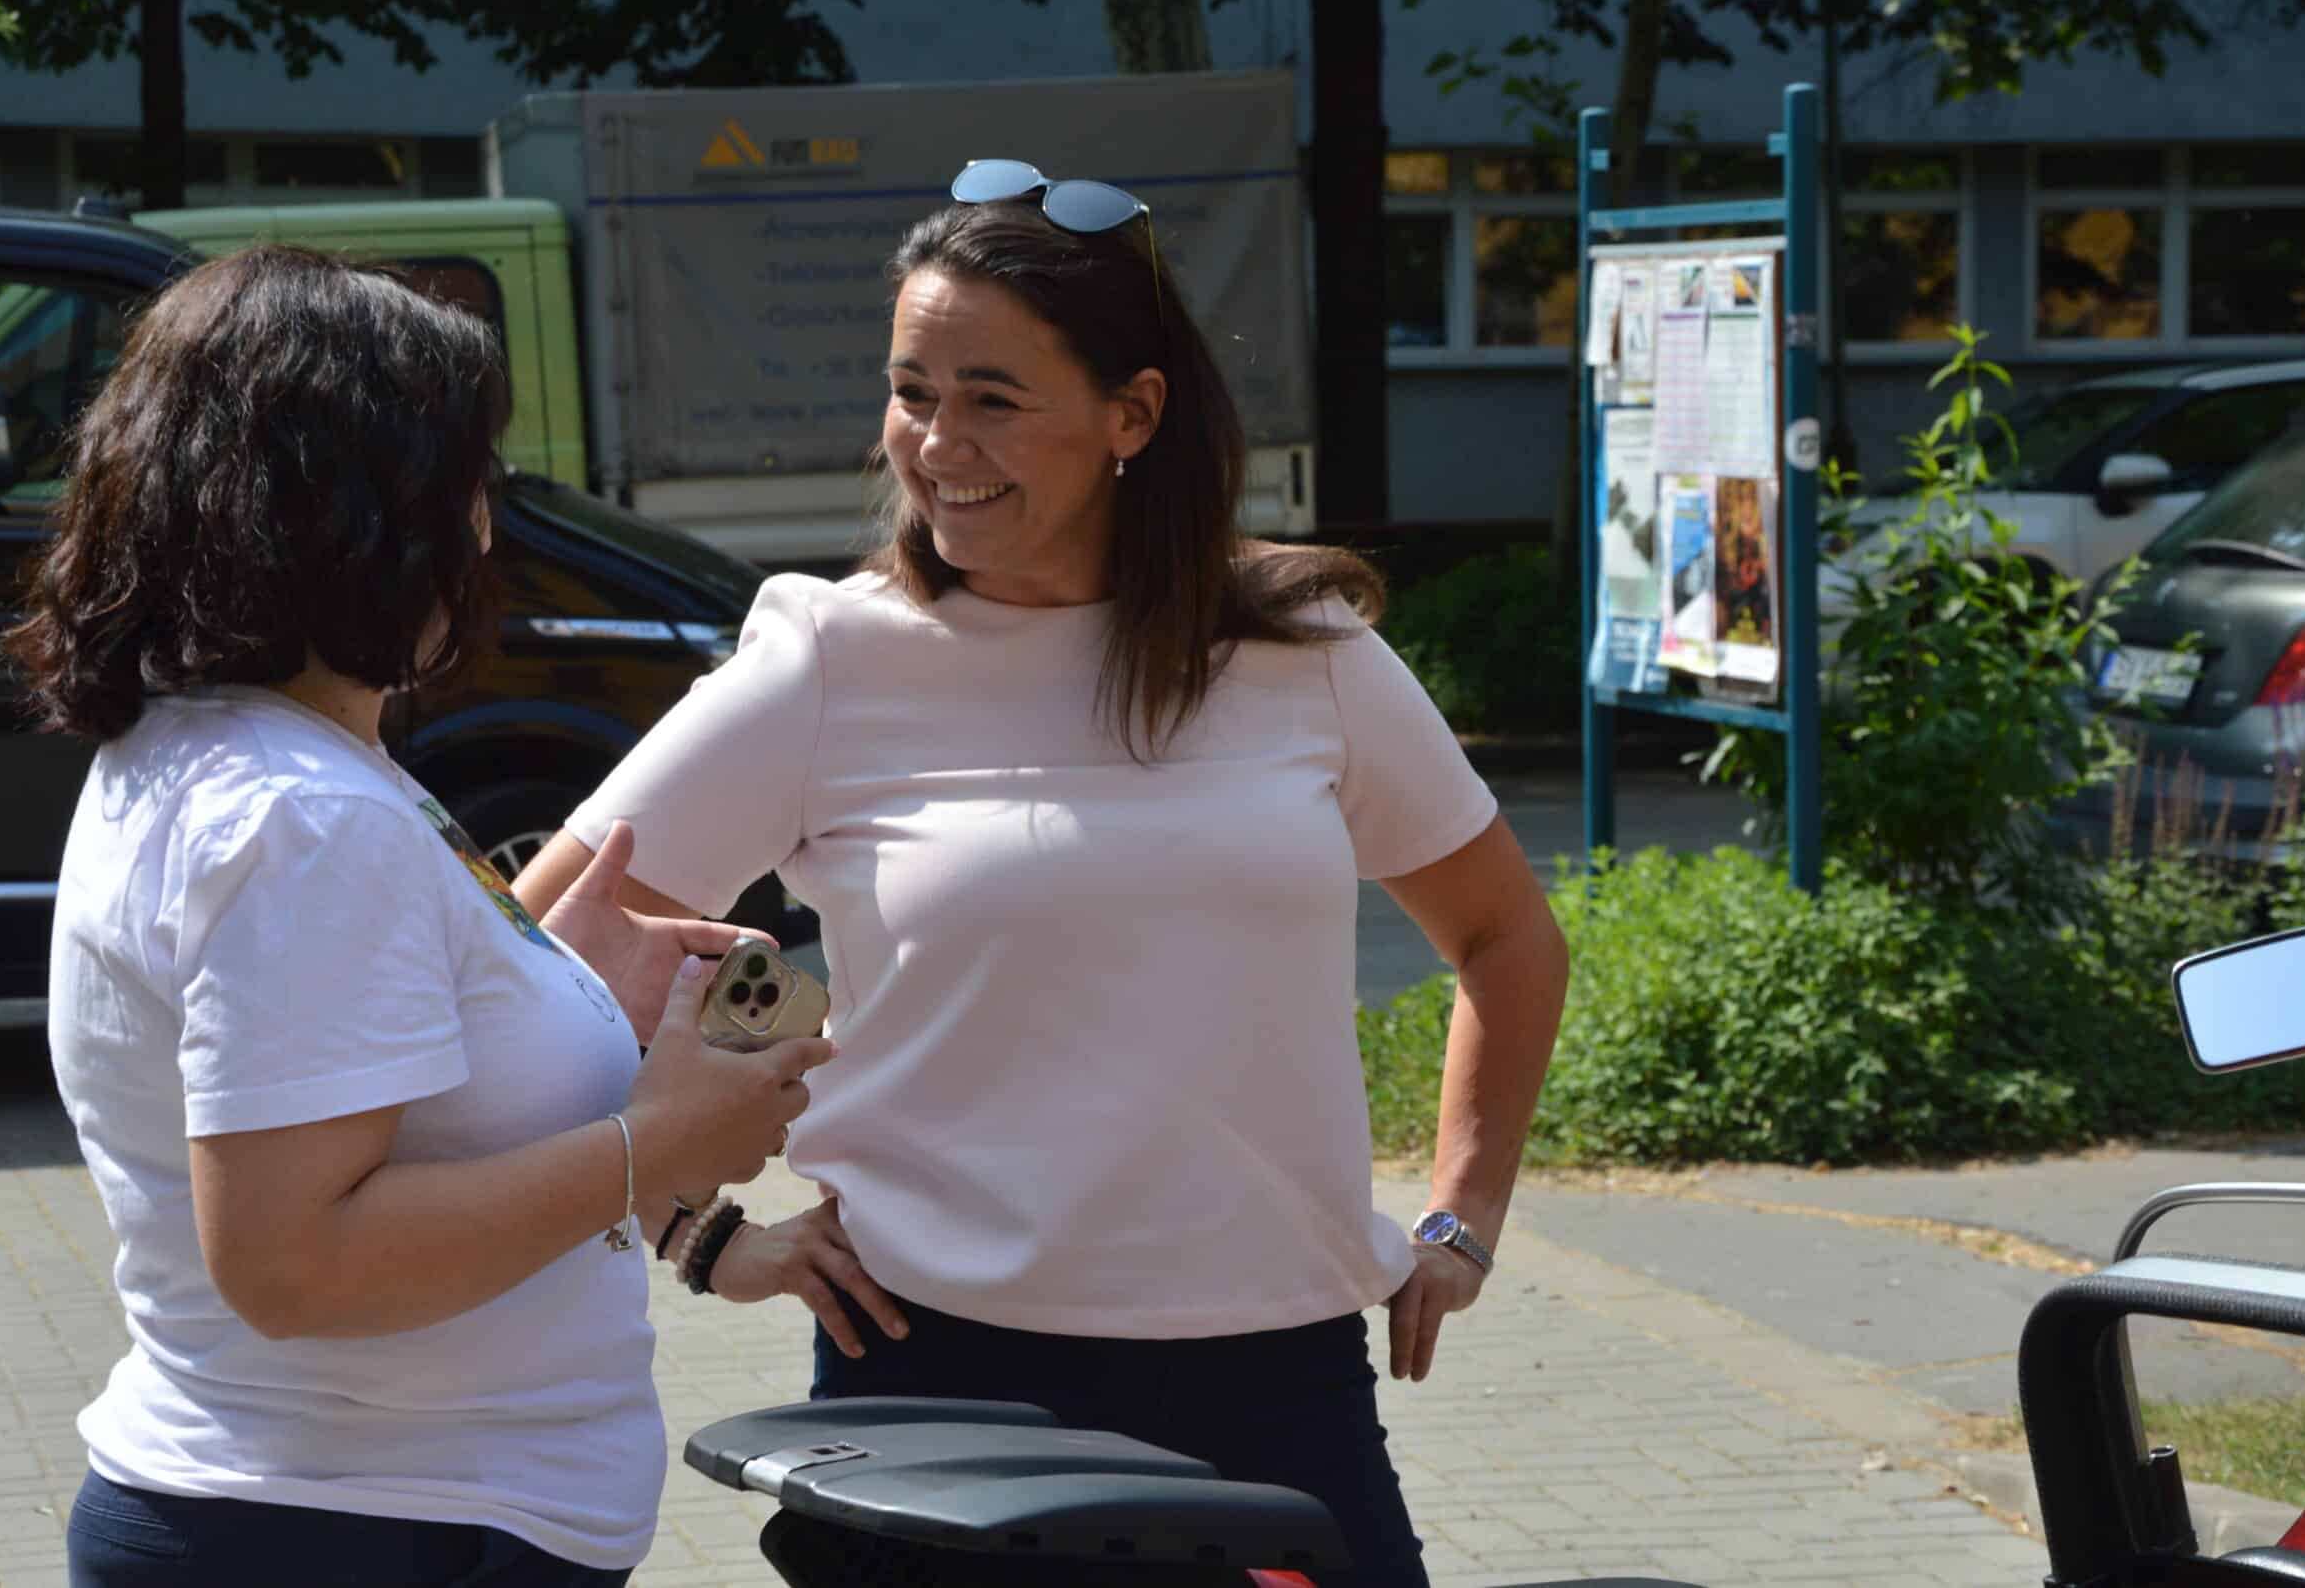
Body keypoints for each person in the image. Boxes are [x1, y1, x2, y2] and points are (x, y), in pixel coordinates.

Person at [512, 165, 1569, 1587]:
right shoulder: (830, 658)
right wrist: (697, 1233)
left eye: (994, 398)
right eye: (912, 391)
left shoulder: (1304, 652)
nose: (937, 442)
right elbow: (534, 962)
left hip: (1278, 1384)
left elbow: (1507, 938)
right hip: (937, 1382)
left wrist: (1461, 1218)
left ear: (1134, 413)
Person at [5, 246, 825, 1588]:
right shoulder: (299, 815)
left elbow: (361, 1087)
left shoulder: (236, 754)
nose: (486, 528)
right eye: (466, 483)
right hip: (355, 1531)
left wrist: (551, 988)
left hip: (329, 1518)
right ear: (367, 515)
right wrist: (660, 1142)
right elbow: (297, 1264)